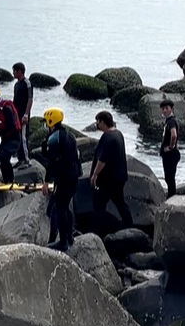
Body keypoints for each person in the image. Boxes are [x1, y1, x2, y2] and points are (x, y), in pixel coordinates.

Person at [40, 108, 82, 251]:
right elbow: (76, 156)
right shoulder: (68, 135)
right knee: (66, 206)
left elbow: (51, 162)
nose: (46, 126)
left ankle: (63, 242)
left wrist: (46, 182)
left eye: (46, 123)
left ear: (51, 122)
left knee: (61, 208)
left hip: (64, 177)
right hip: (73, 175)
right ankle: (69, 237)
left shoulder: (54, 138)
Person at [89, 111, 133, 233]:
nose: (97, 124)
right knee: (120, 203)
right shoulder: (118, 134)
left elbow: (102, 160)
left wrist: (94, 175)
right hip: (119, 177)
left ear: (103, 122)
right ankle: (130, 227)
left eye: (98, 122)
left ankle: (95, 232)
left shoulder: (107, 137)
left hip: (107, 180)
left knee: (98, 206)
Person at [12, 62, 34, 169]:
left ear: (20, 71)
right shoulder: (16, 85)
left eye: (15, 71)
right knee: (18, 137)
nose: (13, 73)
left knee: (24, 137)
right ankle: (20, 159)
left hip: (23, 115)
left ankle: (26, 159)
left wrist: (26, 114)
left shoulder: (27, 83)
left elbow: (30, 99)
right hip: (16, 115)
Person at [160, 98, 180, 198]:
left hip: (171, 154)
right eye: (163, 109)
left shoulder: (171, 122)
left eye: (166, 108)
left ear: (171, 109)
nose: (164, 111)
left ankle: (172, 197)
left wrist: (171, 147)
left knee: (169, 178)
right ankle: (171, 195)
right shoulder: (169, 121)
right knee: (169, 177)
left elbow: (174, 135)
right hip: (169, 155)